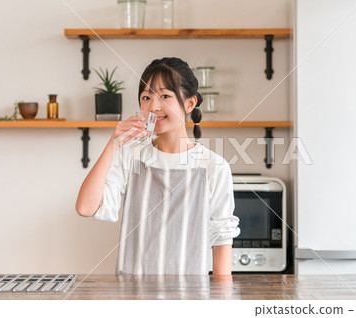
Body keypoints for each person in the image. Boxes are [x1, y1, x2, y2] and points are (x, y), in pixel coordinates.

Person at [75, 57, 240, 275]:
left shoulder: (214, 166)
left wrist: (221, 300)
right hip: (132, 296)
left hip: (190, 298)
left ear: (190, 104)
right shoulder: (132, 155)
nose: (153, 106)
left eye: (164, 96)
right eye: (146, 97)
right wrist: (113, 144)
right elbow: (85, 207)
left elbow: (221, 238)